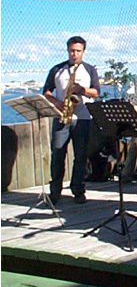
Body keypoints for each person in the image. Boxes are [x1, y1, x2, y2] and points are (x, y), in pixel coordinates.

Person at [43, 36, 100, 204]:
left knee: (81, 156)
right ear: (68, 50)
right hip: (61, 117)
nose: (75, 54)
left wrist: (81, 90)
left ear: (83, 51)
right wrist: (57, 103)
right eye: (72, 51)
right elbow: (47, 91)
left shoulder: (89, 69)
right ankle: (55, 191)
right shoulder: (57, 69)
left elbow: (96, 92)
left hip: (83, 118)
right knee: (58, 154)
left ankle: (78, 190)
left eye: (78, 51)